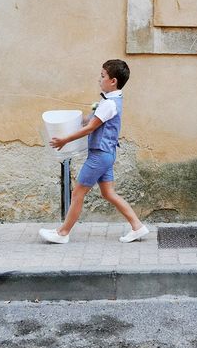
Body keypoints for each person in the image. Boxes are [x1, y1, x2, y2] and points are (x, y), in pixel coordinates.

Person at [38, 59, 149, 244]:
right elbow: (90, 122)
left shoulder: (109, 104)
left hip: (99, 156)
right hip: (106, 154)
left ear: (113, 81)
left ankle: (62, 233)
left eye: (103, 76)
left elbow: (90, 129)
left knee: (77, 194)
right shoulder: (111, 101)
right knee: (108, 193)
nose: (99, 79)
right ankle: (138, 227)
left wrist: (65, 140)